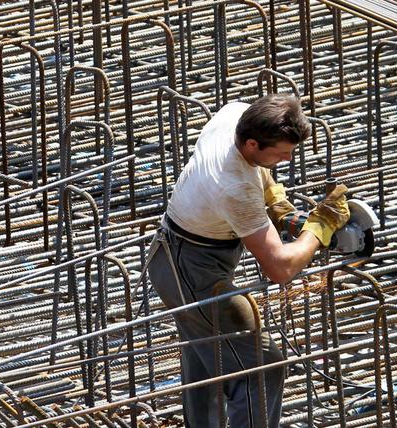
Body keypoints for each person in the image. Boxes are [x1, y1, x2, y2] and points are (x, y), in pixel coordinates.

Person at [147, 94, 350, 427]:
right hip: (191, 271)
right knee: (261, 368)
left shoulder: (237, 115)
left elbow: (262, 175)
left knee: (208, 357)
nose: (287, 159)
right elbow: (279, 267)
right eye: (282, 153)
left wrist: (280, 207)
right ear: (253, 144)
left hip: (175, 255)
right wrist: (318, 227)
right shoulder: (234, 186)